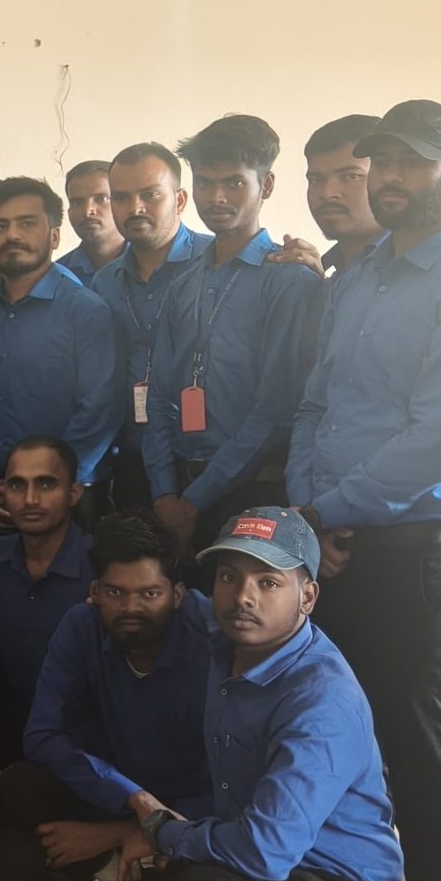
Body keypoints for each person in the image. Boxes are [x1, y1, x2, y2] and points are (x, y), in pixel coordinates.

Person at [287, 100, 441, 881]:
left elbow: (437, 440)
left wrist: (325, 514)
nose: (390, 177)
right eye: (381, 161)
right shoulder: (360, 274)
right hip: (332, 540)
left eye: (412, 162)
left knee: (424, 769)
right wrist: (309, 511)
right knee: (332, 748)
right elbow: (315, 404)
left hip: (417, 556)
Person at [93, 508, 404, 881]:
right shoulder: (225, 647)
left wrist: (164, 833)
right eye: (228, 577)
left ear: (307, 597)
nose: (243, 597)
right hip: (244, 868)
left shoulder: (322, 700)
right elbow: (167, 601)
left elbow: (266, 851)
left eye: (268, 582)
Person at [0, 514, 213, 881]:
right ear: (94, 591)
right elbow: (42, 735)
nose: (131, 608)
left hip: (187, 816)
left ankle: (114, 857)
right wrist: (133, 799)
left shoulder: (213, 643)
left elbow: (235, 787)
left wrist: (122, 831)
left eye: (150, 594)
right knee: (18, 788)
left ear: (178, 595)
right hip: (110, 795)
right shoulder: (81, 625)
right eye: (115, 592)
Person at [143, 117, 321, 559]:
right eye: (205, 182)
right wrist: (164, 494)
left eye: (234, 183)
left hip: (254, 490)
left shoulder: (289, 280)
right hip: (177, 488)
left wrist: (192, 502)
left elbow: (276, 410)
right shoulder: (183, 282)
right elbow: (159, 394)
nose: (216, 197)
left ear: (266, 185)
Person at [0, 177, 118, 482]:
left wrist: (47, 482)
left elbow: (99, 412)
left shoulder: (87, 312)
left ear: (54, 236)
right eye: (2, 225)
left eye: (27, 223)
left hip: (66, 491)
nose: (12, 235)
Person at [0, 438, 92, 764]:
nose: (30, 499)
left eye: (46, 484)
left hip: (86, 751)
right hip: (3, 741)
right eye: (17, 485)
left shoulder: (101, 566)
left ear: (74, 493)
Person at [90, 143, 214, 517]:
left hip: (207, 462)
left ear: (180, 199)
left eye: (150, 195)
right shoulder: (104, 282)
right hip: (132, 458)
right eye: (121, 197)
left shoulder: (216, 264)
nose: (135, 208)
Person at [271, 115, 386, 281]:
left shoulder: (416, 270)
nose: (327, 193)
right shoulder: (326, 276)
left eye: (351, 176)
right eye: (316, 180)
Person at [56, 159, 127, 282]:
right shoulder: (58, 277)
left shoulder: (152, 265)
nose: (88, 211)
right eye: (77, 202)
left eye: (101, 199)